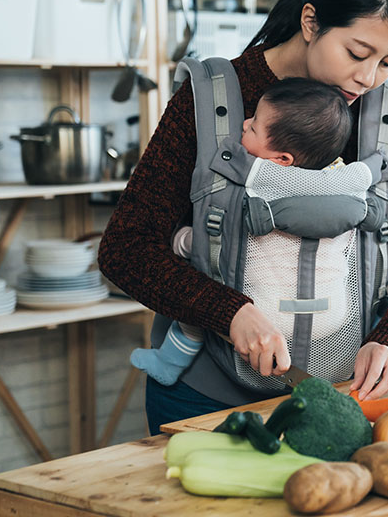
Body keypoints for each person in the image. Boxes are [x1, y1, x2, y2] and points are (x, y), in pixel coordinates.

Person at [98, 0, 388, 435]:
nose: (367, 78)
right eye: (357, 53)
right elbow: (126, 249)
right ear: (311, 22)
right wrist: (229, 313)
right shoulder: (213, 102)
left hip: (335, 400)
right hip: (200, 402)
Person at [130, 76, 356, 386]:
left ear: (281, 160)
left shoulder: (252, 191)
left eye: (252, 127)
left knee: (199, 291)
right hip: (333, 318)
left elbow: (217, 241)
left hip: (262, 317)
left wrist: (180, 241)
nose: (245, 122)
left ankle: (170, 361)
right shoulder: (342, 185)